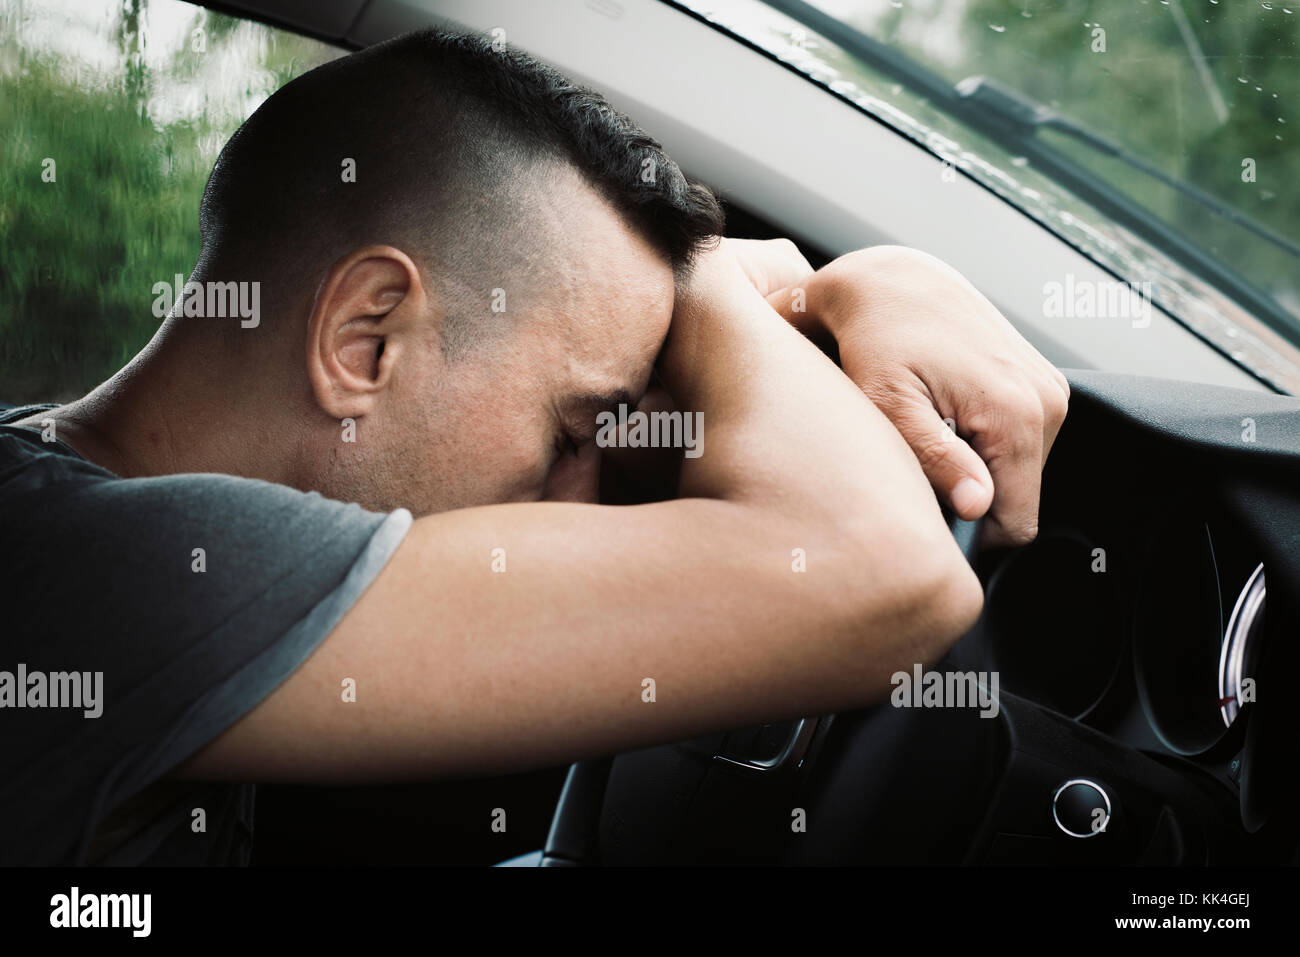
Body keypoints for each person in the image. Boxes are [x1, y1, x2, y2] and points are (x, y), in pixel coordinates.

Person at [0, 28, 1067, 865]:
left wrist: (840, 284)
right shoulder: (113, 573)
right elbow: (880, 574)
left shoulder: (65, 516)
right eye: (574, 428)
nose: (582, 503)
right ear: (365, 340)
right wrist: (706, 270)